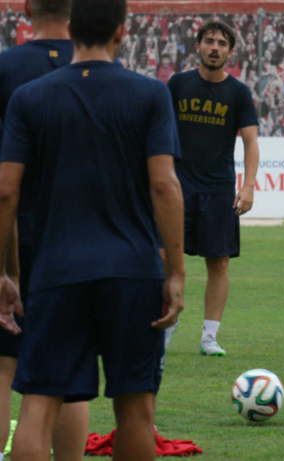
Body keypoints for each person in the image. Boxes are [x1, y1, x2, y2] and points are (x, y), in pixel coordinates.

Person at [0, 0, 185, 458]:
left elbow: (6, 193)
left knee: (40, 403)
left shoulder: (31, 97)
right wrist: (176, 273)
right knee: (136, 408)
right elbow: (164, 186)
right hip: (132, 269)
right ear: (122, 32)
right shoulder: (150, 94)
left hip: (55, 268)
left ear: (73, 29)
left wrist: (6, 272)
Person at [0, 1, 91, 459]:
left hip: (14, 231)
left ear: (27, 9)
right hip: (75, 242)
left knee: (2, 367)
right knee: (69, 377)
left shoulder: (4, 67)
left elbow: (4, 186)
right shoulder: (95, 72)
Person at [166, 20, 260, 357]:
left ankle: (209, 337)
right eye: (209, 41)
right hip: (177, 187)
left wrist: (248, 186)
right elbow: (158, 130)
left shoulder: (238, 93)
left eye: (222, 43)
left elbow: (251, 142)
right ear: (198, 46)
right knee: (165, 257)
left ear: (230, 52)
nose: (215, 47)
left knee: (218, 263)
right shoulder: (177, 84)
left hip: (219, 189)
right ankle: (168, 323)